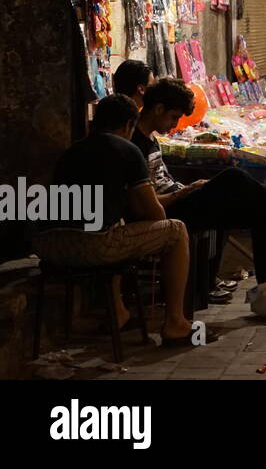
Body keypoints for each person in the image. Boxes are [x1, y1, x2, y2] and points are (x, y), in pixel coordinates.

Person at [31, 95, 198, 346]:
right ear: (129, 124)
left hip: (50, 246)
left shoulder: (72, 151)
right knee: (176, 230)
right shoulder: (128, 150)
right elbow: (154, 213)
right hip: (93, 246)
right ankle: (176, 322)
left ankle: (119, 311)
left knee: (116, 226)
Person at [128, 76, 266, 284]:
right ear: (158, 109)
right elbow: (147, 203)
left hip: (181, 198)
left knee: (262, 211)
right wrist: (184, 192)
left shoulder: (152, 138)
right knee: (233, 176)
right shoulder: (134, 146)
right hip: (168, 211)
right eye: (174, 117)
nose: (175, 124)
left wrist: (188, 189)